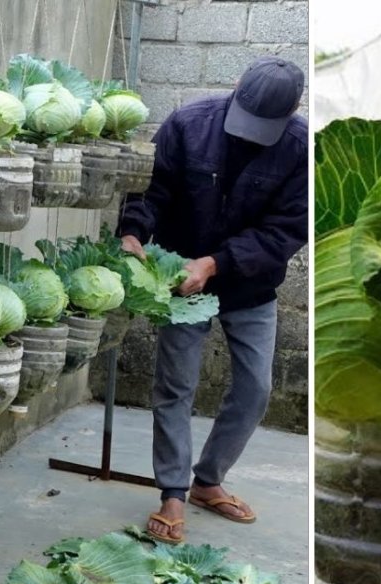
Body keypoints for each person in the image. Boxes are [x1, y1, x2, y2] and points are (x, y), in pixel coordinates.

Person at [116, 56, 307, 544]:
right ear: (236, 86)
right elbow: (150, 189)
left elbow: (286, 230)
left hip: (249, 285)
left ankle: (208, 481)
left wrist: (215, 263)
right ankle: (173, 492)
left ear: (292, 113)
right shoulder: (188, 124)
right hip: (180, 281)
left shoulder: (302, 149)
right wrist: (133, 233)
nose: (247, 135)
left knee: (255, 389)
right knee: (175, 385)